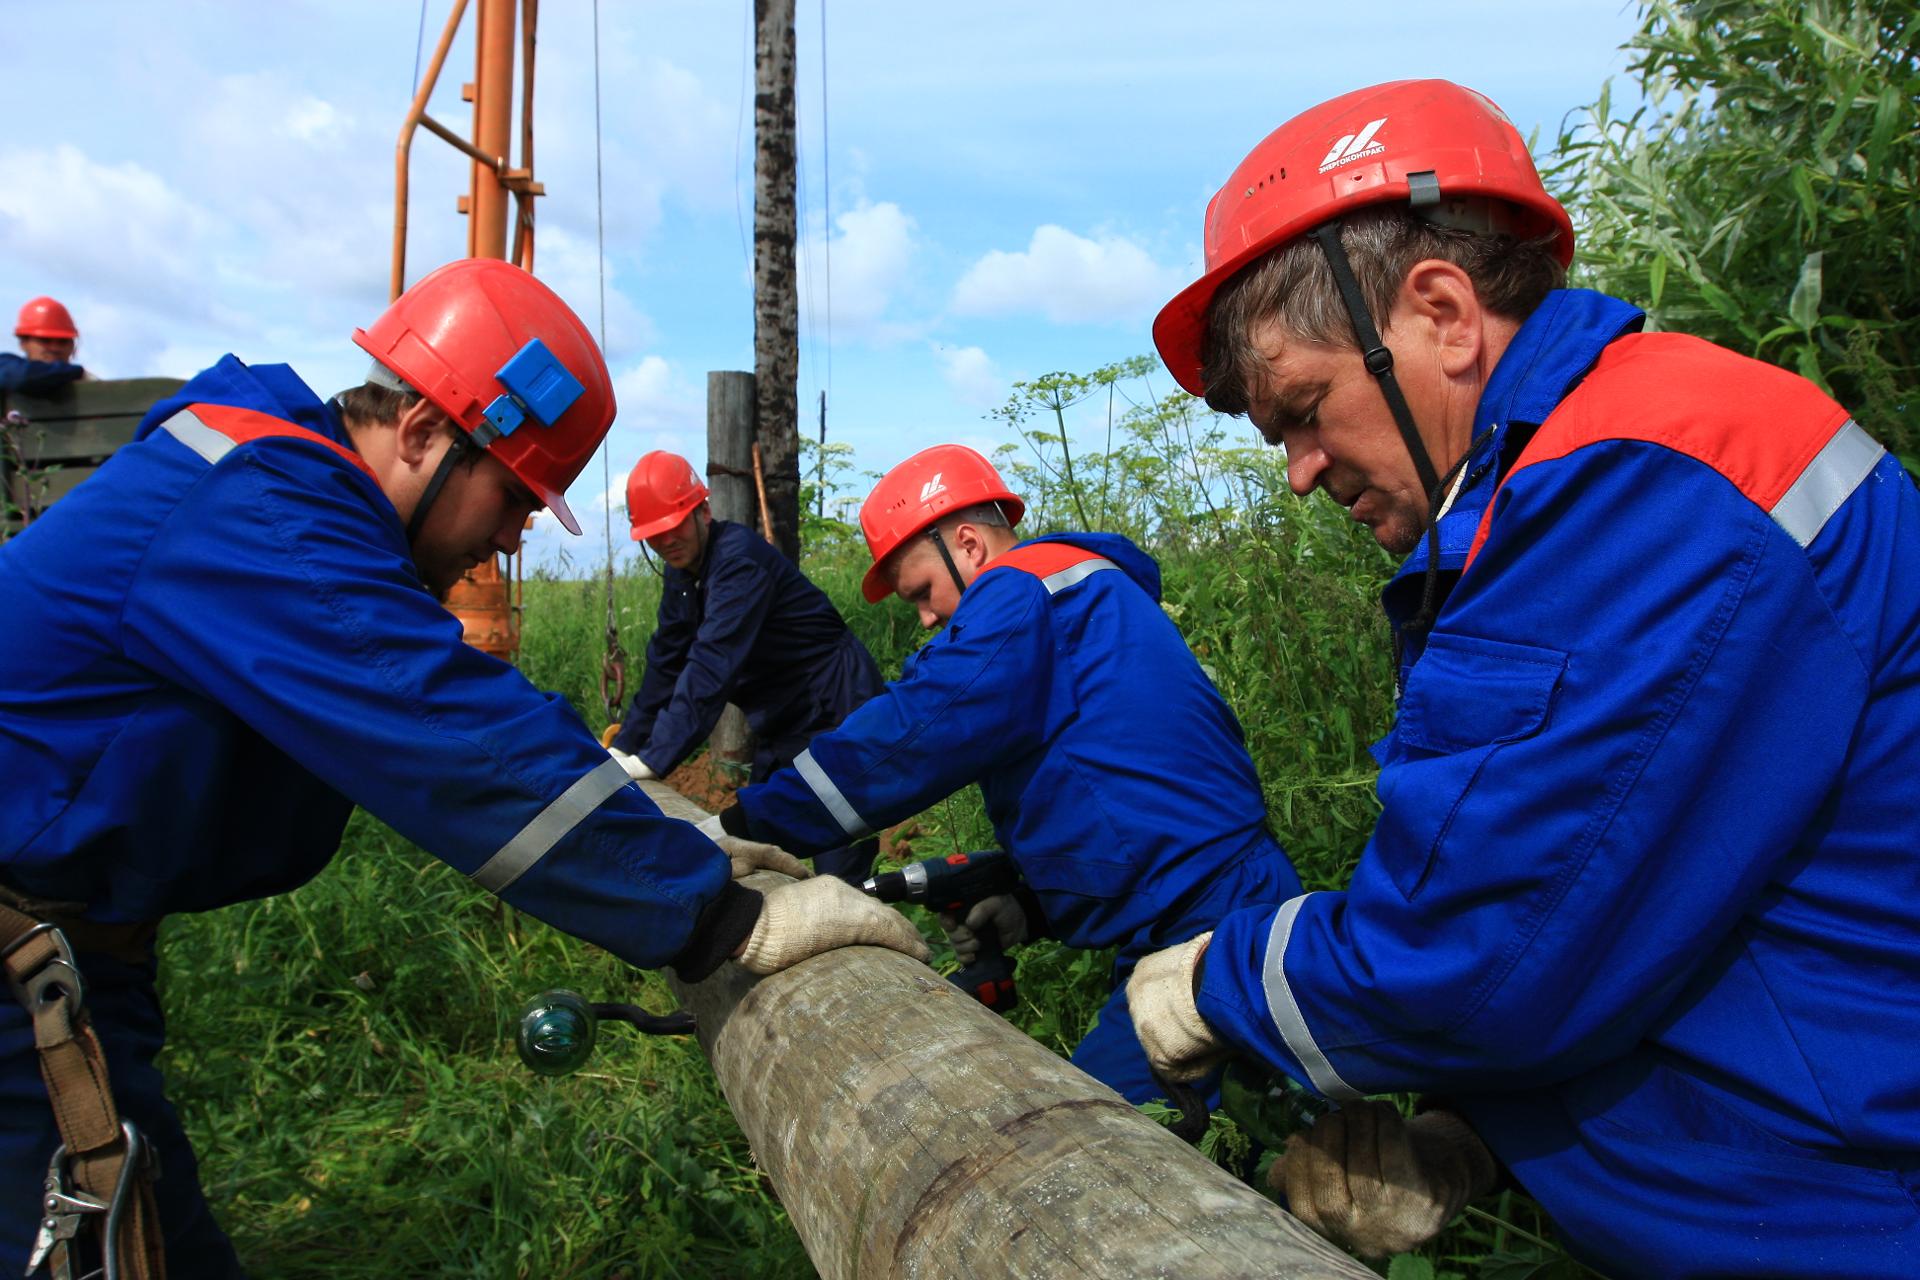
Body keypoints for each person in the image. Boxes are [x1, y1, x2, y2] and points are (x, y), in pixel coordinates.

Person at [1125, 79, 1920, 1277]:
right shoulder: (1595, 472)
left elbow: (1476, 953)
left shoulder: (1641, 479)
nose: (1299, 470)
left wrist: (1212, 982)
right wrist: (1475, 1136)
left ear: (1443, 313)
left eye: (1304, 409)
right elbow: (1641, 899)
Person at [0, 259, 927, 1279]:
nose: (513, 537)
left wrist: (677, 838)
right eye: (515, 495)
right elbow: (450, 730)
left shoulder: (263, 488)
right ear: (421, 431)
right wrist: (723, 915)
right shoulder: (264, 507)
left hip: (68, 961)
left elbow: (469, 704)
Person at [712, 443, 1303, 1105]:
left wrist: (747, 824)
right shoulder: (1080, 595)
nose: (926, 618)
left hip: (1211, 918)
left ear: (967, 544)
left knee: (1097, 1145)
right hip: (1202, 905)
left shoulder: (1020, 591)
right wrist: (1031, 906)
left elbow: (914, 734)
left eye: (922, 592)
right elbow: (1120, 786)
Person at [608, 450, 885, 882]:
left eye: (673, 526)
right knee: (761, 841)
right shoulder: (684, 572)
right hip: (782, 720)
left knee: (837, 844)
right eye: (654, 534)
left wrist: (654, 759)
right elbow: (666, 661)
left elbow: (711, 665)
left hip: (835, 705)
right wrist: (626, 747)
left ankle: (863, 920)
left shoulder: (738, 560)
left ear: (702, 511)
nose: (666, 541)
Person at [1, 296, 87, 394]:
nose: (55, 348)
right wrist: (79, 372)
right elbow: (20, 376)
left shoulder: (89, 386)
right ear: (23, 343)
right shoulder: (5, 365)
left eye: (63, 341)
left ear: (72, 346)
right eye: (45, 340)